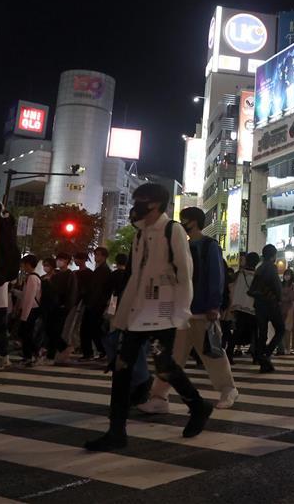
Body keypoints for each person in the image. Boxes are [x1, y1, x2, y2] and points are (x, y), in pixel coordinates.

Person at [84, 183, 212, 450]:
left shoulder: (172, 230)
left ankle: (198, 405)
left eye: (140, 200)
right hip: (137, 313)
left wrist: (181, 313)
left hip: (163, 313)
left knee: (164, 367)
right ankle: (116, 431)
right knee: (121, 368)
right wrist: (120, 317)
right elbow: (135, 278)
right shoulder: (140, 234)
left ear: (155, 204)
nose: (136, 205)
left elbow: (185, 274)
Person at [142, 206, 238, 411]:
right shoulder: (182, 246)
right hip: (182, 311)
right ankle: (159, 397)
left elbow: (216, 277)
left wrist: (214, 305)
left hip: (202, 310)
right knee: (172, 356)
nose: (182, 223)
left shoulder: (209, 245)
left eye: (185, 219)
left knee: (213, 354)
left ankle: (228, 389)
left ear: (194, 221)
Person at [250, 245, 285, 373]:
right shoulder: (271, 267)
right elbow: (277, 285)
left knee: (262, 333)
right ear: (273, 255)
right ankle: (265, 354)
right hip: (271, 303)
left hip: (259, 304)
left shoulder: (259, 267)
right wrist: (280, 298)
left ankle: (262, 361)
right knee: (281, 329)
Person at [79, 246, 111, 361]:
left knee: (91, 329)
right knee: (91, 329)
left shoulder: (104, 270)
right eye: (96, 254)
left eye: (98, 255)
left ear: (104, 256)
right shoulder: (100, 269)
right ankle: (96, 351)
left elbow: (98, 289)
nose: (96, 257)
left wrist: (92, 303)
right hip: (94, 304)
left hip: (95, 305)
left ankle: (96, 352)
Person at [44, 252, 75, 364]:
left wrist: (66, 306)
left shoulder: (70, 274)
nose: (59, 261)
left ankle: (58, 351)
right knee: (50, 330)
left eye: (62, 259)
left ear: (67, 261)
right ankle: (52, 354)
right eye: (58, 259)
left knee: (55, 331)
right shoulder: (56, 275)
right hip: (52, 306)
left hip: (61, 307)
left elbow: (71, 292)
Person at [230, 253, 258, 357]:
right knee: (255, 331)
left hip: (240, 306)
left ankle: (230, 352)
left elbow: (235, 289)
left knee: (238, 330)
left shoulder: (240, 274)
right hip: (252, 307)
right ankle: (255, 355)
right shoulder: (256, 275)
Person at [17, 255, 43, 366]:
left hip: (31, 310)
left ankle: (33, 354)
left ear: (27, 264)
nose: (22, 266)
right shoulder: (32, 277)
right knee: (26, 334)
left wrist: (24, 315)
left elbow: (29, 298)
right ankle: (30, 355)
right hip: (30, 310)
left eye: (23, 264)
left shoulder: (32, 278)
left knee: (27, 334)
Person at [280, 270, 294, 356]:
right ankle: (282, 347)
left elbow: (293, 298)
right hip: (281, 308)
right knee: (281, 329)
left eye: (288, 275)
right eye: (285, 274)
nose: (286, 276)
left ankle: (288, 348)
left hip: (289, 309)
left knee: (287, 329)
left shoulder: (293, 286)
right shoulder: (281, 284)